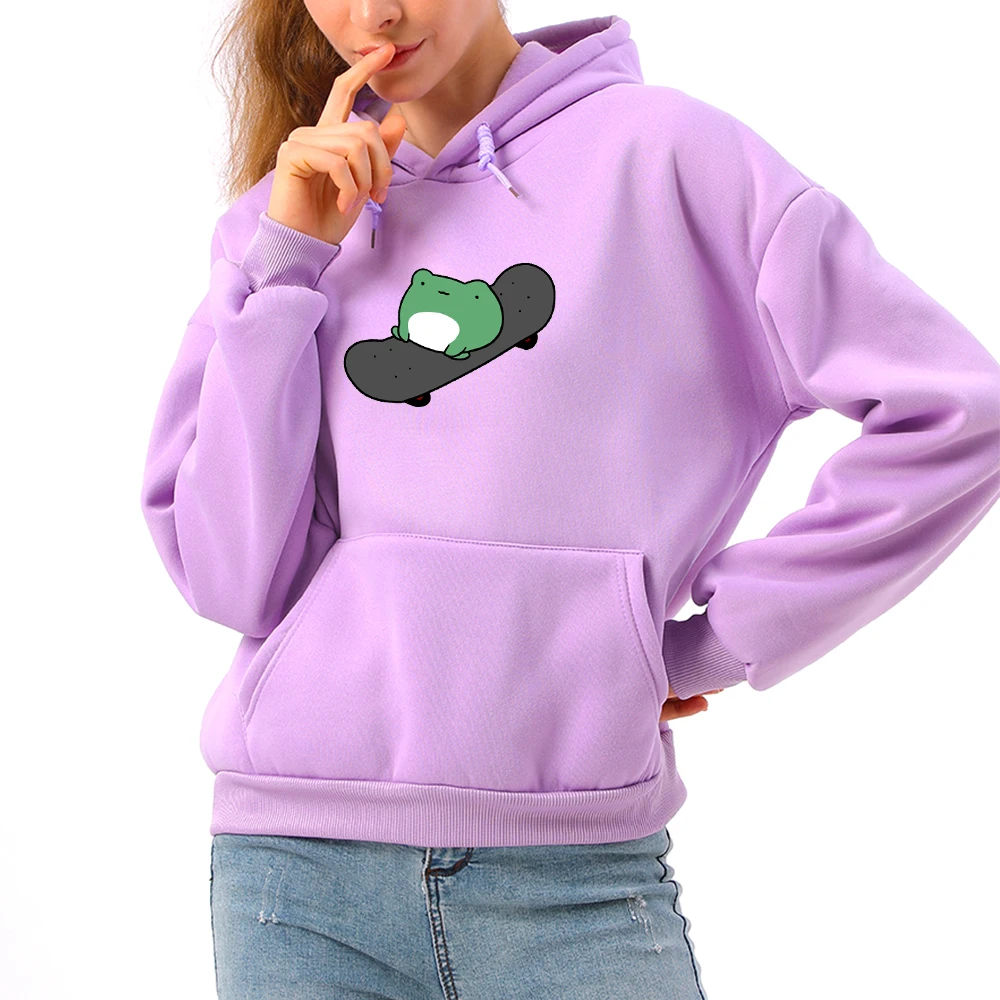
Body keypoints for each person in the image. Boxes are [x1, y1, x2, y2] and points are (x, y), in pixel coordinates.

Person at [138, 0, 1000, 996]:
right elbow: (228, 578)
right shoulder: (280, 219)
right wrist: (287, 264)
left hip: (573, 883)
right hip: (294, 883)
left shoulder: (676, 161)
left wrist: (721, 638)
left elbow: (953, 412)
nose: (375, 13)